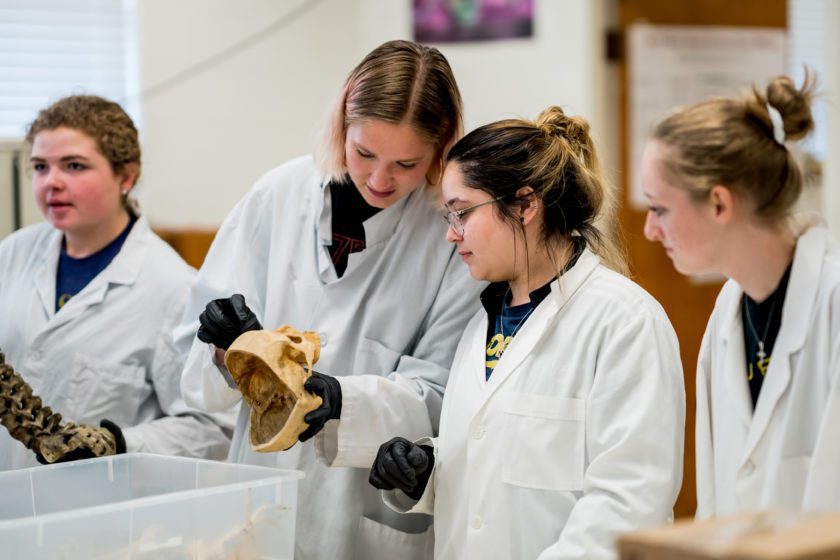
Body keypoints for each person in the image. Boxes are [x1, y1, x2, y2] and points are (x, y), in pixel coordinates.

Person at [176, 40, 482, 559]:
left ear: (441, 146)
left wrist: (343, 398)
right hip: (258, 492)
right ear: (341, 125)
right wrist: (223, 349)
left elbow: (442, 390)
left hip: (364, 510)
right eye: (364, 153)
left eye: (406, 163)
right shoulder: (278, 196)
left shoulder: (451, 233)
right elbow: (195, 382)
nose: (380, 180)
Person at [369, 106, 686, 559]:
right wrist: (425, 473)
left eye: (461, 213)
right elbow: (497, 464)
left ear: (524, 205)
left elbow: (629, 502)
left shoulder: (624, 321)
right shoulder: (483, 322)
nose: (451, 236)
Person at [641, 74, 840, 516]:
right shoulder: (727, 318)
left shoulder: (833, 305)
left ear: (718, 203)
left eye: (659, 208)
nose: (649, 230)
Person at [0, 95, 231, 470]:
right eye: (40, 167)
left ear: (126, 176)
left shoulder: (173, 289)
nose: (51, 182)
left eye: (74, 166)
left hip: (101, 512)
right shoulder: (12, 254)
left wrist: (118, 442)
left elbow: (213, 430)